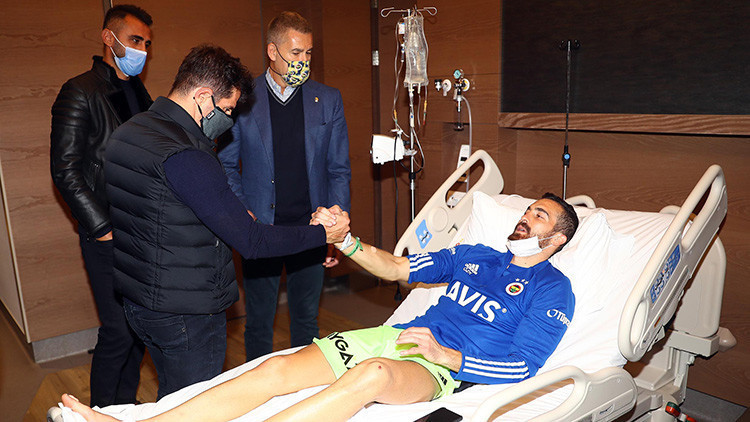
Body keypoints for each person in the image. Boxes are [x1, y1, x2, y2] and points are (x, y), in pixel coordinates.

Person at [57, 193, 578, 422]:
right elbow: (397, 267)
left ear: (555, 240)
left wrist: (449, 357)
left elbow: (524, 366)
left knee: (374, 375)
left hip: (442, 369)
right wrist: (345, 241)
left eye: (539, 217)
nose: (525, 219)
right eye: (528, 211)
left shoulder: (554, 290)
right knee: (277, 369)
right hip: (395, 338)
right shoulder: (474, 256)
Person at [102, 45, 350, 399]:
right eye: (228, 109)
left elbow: (157, 206)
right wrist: (322, 234)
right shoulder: (187, 154)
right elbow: (253, 241)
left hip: (138, 299)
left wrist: (227, 210)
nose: (229, 119)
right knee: (195, 407)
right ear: (203, 96)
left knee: (171, 399)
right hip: (186, 312)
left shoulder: (131, 131)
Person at [218, 11, 352, 361]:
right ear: (272, 51)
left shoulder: (328, 99)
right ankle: (259, 390)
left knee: (307, 322)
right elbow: (227, 165)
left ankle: (305, 389)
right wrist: (244, 214)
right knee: (258, 323)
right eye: (295, 53)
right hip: (262, 230)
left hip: (312, 229)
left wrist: (336, 227)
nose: (303, 61)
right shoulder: (243, 99)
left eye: (308, 53)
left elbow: (338, 169)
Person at [50, 4, 153, 407]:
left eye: (146, 43)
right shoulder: (79, 90)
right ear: (109, 38)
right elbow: (65, 170)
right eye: (134, 40)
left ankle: (124, 408)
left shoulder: (139, 92)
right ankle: (101, 411)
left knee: (138, 328)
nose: (141, 49)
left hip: (142, 230)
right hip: (107, 233)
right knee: (117, 331)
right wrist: (102, 228)